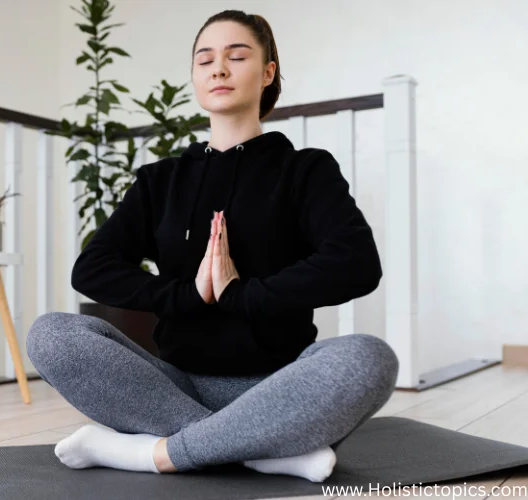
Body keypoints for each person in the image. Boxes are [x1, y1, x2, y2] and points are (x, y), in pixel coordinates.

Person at [26, 9, 398, 483]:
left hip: (280, 387)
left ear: (267, 74)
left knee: (369, 357)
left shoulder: (305, 170)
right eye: (205, 60)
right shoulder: (160, 181)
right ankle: (259, 449)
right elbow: (93, 268)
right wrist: (186, 295)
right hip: (173, 387)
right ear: (196, 78)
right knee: (52, 333)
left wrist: (240, 295)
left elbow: (356, 264)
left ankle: (151, 454)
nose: (218, 69)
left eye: (236, 56)